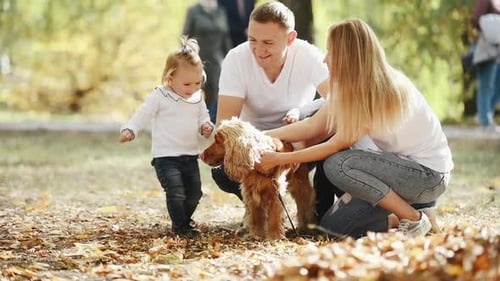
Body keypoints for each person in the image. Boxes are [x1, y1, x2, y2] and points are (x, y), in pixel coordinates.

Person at [259, 19, 454, 238]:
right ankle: (413, 215)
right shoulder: (348, 87)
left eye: (331, 51)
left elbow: (334, 145)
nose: (325, 59)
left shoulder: (381, 90)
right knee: (332, 228)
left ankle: (413, 219)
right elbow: (312, 126)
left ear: (347, 55)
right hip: (394, 173)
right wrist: (258, 136)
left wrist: (277, 159)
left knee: (337, 163)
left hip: (426, 178)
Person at [207, 1, 342, 223]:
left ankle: (319, 211)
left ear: (290, 38)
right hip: (254, 149)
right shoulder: (236, 59)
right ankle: (261, 206)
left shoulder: (308, 55)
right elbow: (225, 124)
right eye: (252, 40)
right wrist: (255, 148)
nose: (259, 51)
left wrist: (302, 139)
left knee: (337, 142)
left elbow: (340, 104)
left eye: (268, 42)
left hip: (301, 142)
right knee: (222, 171)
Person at [119, 37, 214, 237]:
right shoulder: (160, 96)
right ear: (170, 79)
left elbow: (202, 115)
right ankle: (181, 227)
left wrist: (205, 125)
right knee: (176, 191)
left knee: (194, 193)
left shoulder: (197, 97)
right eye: (187, 84)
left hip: (190, 155)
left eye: (198, 82)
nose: (193, 88)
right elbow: (143, 113)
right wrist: (131, 129)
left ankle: (183, 220)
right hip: (166, 157)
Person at [183, 0, 232, 123]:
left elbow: (225, 39)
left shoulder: (221, 11)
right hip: (197, 59)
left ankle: (210, 122)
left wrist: (230, 59)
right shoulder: (194, 11)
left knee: (216, 92)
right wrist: (186, 58)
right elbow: (185, 36)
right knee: (195, 90)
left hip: (216, 62)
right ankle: (190, 121)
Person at [472, 0, 500, 132]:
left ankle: (485, 113)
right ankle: (485, 120)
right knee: (486, 85)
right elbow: (476, 19)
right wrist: (491, 29)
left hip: (497, 51)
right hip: (485, 49)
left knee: (497, 85)